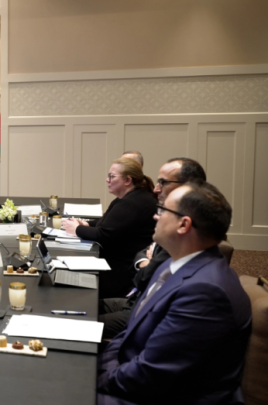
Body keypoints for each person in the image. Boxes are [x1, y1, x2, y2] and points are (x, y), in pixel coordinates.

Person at [97, 181, 251, 405]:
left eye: (162, 210)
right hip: (135, 375)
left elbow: (150, 374)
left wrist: (92, 376)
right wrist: (100, 364)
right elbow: (129, 333)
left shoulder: (205, 292)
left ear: (183, 224)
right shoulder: (175, 264)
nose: (155, 216)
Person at [99, 157, 206, 339]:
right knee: (78, 306)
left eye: (163, 182)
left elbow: (144, 279)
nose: (156, 189)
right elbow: (145, 252)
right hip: (137, 299)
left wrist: (146, 265)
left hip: (143, 307)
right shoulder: (172, 220)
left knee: (78, 322)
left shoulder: (184, 236)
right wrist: (145, 261)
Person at [62, 157, 156, 299]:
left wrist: (76, 229)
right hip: (120, 264)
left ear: (127, 180)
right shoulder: (131, 198)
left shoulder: (132, 203)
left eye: (112, 176)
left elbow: (103, 235)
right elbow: (109, 222)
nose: (107, 180)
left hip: (120, 273)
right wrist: (87, 224)